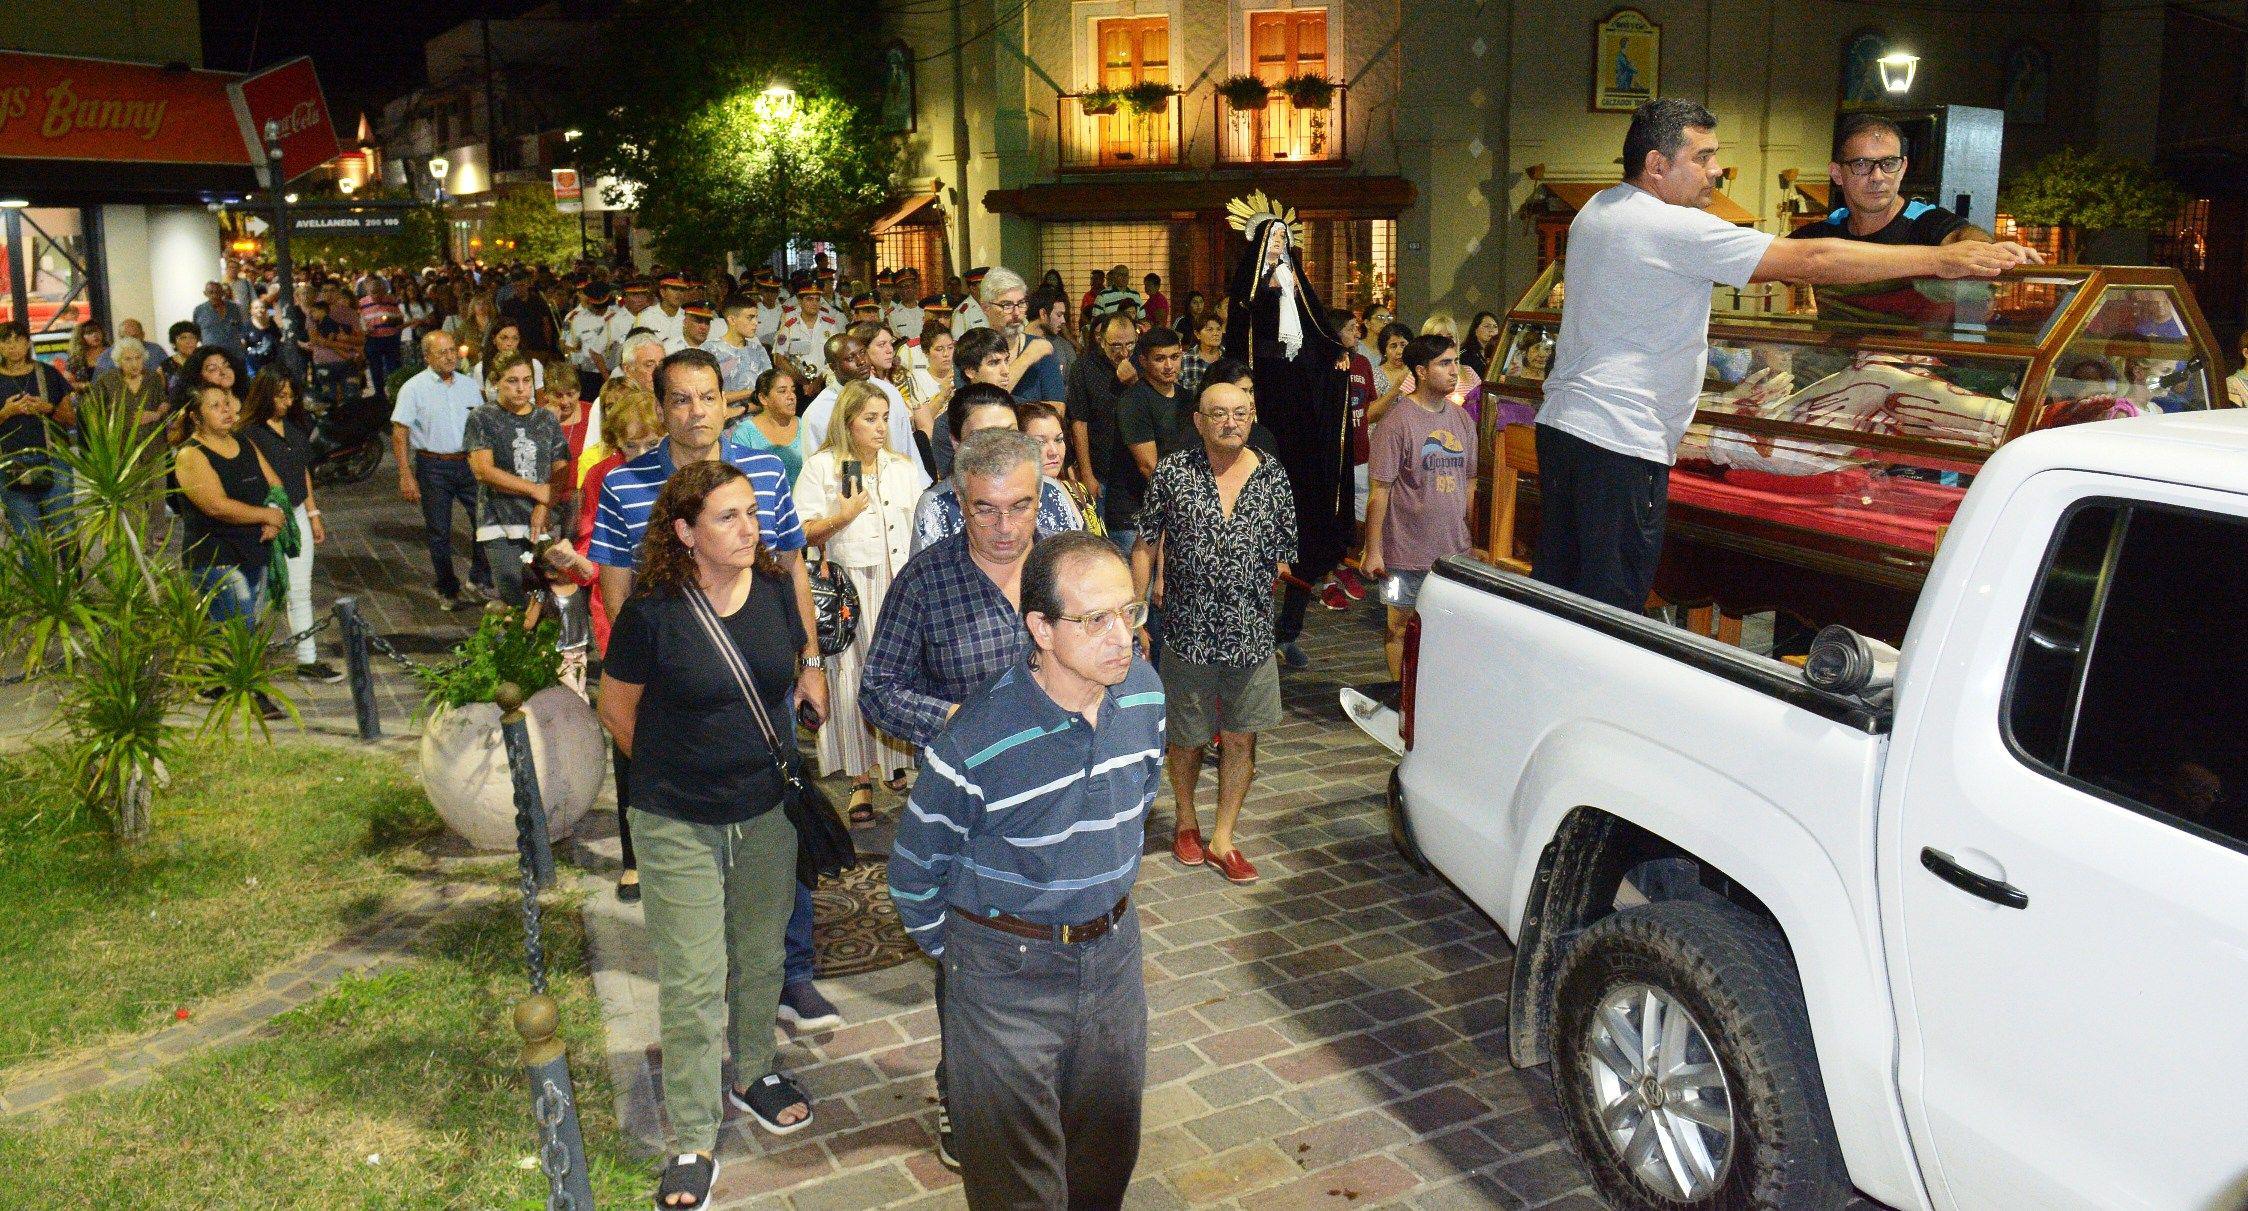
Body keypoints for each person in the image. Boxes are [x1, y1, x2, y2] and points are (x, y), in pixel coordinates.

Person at [1534, 98, 2036, 612]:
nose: (1716, 172)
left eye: (1888, 165)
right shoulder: (1670, 226)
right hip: (1622, 439)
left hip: (1569, 430)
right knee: (1606, 607)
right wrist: (1944, 260)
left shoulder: (1598, 209)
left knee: (1560, 595)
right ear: (1658, 165)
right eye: (1703, 158)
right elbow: (1812, 257)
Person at [889, 530, 1164, 1208]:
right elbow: (915, 869)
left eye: (1128, 611)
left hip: (1114, 958)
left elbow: (1138, 800)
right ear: (1040, 626)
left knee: (1104, 1164)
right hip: (1004, 971)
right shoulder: (976, 738)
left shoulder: (1145, 695)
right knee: (1019, 1187)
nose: (1120, 635)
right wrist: (972, 961)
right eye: (1094, 618)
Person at [589, 349, 843, 1036]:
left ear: (725, 402)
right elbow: (618, 593)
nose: (696, 412)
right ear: (660, 402)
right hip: (680, 690)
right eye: (681, 399)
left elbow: (791, 567)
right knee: (698, 839)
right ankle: (720, 973)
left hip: (760, 680)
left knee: (779, 820)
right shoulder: (623, 485)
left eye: (709, 398)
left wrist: (811, 658)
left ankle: (791, 974)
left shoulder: (762, 469)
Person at [596, 460, 822, 1210]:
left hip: (765, 812)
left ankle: (753, 1069)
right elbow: (616, 709)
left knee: (759, 955)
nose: (749, 527)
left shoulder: (771, 594)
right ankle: (692, 1132)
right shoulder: (653, 611)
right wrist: (676, 778)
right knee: (694, 980)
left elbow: (781, 682)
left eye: (751, 512)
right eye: (728, 516)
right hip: (677, 821)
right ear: (686, 531)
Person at [861, 427, 1058, 1172]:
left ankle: (1041, 1090)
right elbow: (879, 689)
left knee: (1056, 954)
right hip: (969, 815)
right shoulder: (926, 580)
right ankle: (964, 1096)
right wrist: (953, 720)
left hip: (1057, 805)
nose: (1005, 528)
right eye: (985, 510)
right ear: (957, 501)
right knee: (972, 962)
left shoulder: (1061, 571)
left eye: (1020, 507)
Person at [1134, 380, 1294, 884]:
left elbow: (1284, 555)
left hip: (1251, 635)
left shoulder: (1273, 476)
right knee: (1186, 735)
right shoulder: (1174, 472)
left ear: (1252, 416)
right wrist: (1135, 613)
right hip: (1187, 630)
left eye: (1241, 413)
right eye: (1219, 414)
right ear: (1199, 421)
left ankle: (1224, 837)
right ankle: (1186, 820)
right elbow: (1145, 542)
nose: (1231, 422)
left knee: (1242, 736)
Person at [793, 380, 927, 824]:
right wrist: (843, 516)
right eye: (870, 418)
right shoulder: (823, 467)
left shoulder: (903, 467)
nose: (880, 427)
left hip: (898, 583)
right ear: (846, 422)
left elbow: (925, 522)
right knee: (851, 676)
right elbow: (801, 532)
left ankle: (894, 764)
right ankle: (858, 778)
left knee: (899, 675)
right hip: (850, 587)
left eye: (885, 418)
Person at [1365, 335, 1478, 682]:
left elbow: (1470, 482)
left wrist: (1469, 536)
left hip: (1452, 552)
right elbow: (1379, 491)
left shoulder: (1462, 421)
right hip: (1403, 553)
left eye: (1455, 362)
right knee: (1399, 625)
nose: (1453, 371)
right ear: (1421, 371)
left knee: (1448, 627)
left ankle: (1434, 692)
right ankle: (1403, 696)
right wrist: (1373, 550)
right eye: (1444, 363)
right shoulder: (1398, 422)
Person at [239, 369, 339, 682]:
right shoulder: (250, 433)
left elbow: (302, 472)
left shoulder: (294, 427)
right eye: (280, 395)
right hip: (266, 517)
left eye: (290, 395)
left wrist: (313, 513)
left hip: (295, 513)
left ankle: (307, 659)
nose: (287, 401)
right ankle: (246, 659)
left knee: (300, 588)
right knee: (260, 591)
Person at [911, 383, 1080, 556]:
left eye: (1010, 432)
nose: (1001, 444)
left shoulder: (1051, 492)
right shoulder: (937, 505)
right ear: (957, 443)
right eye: (985, 435)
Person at [392, 331, 496, 609]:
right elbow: (400, 432)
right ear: (427, 357)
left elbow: (481, 424)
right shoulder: (412, 389)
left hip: (468, 464)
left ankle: (480, 578)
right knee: (439, 530)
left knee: (484, 522)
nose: (450, 357)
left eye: (452, 350)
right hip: (433, 466)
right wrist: (405, 473)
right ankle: (447, 587)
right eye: (442, 352)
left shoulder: (469, 385)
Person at [169, 383, 285, 627]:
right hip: (217, 558)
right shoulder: (190, 454)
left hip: (254, 550)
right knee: (238, 637)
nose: (226, 410)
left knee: (249, 631)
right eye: (214, 406)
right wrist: (266, 515)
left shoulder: (243, 441)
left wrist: (275, 516)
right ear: (196, 417)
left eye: (226, 403)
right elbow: (216, 506)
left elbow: (274, 483)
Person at [466, 353, 570, 608]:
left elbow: (561, 469)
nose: (521, 388)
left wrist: (543, 505)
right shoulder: (482, 418)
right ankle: (519, 642)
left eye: (527, 380)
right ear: (496, 382)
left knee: (551, 590)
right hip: (497, 518)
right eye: (512, 381)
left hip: (544, 520)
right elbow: (483, 470)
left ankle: (550, 644)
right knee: (511, 586)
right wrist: (535, 491)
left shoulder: (546, 419)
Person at [1108, 326, 1189, 553]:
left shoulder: (1186, 398)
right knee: (1137, 589)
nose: (1169, 366)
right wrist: (1187, 500)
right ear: (1142, 361)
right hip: (1133, 515)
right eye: (1160, 359)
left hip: (1172, 510)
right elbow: (1148, 466)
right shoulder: (1133, 400)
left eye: (1174, 357)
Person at [0, 321, 76, 536]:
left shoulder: (49, 374)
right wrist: (6, 413)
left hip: (54, 460)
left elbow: (70, 420)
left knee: (65, 530)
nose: (13, 347)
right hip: (10, 465)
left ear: (28, 344)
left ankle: (72, 571)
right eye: (7, 342)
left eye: (19, 341)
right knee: (29, 538)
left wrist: (47, 408)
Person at [1068, 311, 1140, 526]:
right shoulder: (1084, 367)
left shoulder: (1142, 362)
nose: (1124, 352)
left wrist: (1134, 380)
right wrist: (1087, 474)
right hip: (1100, 467)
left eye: (1130, 344)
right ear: (1101, 341)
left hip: (1133, 470)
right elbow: (1079, 422)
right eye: (1116, 346)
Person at [803, 326, 914, 456]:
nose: (861, 361)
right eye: (850, 358)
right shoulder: (818, 412)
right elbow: (814, 467)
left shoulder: (890, 392)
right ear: (833, 367)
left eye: (862, 352)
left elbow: (909, 449)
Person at [1018, 400, 1099, 536]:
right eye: (1040, 442)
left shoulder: (1078, 490)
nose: (1054, 452)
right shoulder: (1013, 502)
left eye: (1058, 440)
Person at [730, 366, 811, 484]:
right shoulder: (745, 433)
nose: (791, 396)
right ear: (763, 398)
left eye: (793, 390)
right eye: (782, 391)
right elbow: (739, 479)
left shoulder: (806, 426)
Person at [711, 295, 776, 413]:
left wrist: (743, 408)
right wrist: (750, 393)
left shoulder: (759, 350)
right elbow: (707, 396)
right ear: (732, 320)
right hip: (723, 425)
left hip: (758, 423)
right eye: (750, 318)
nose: (755, 323)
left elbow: (770, 394)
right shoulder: (710, 350)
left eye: (756, 317)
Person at [777, 282, 840, 376]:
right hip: (798, 381)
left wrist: (819, 381)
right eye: (809, 299)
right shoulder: (789, 326)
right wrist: (800, 380)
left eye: (817, 300)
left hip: (824, 380)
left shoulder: (830, 326)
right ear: (800, 301)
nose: (814, 303)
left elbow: (837, 356)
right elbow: (779, 358)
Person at [564, 281, 617, 394]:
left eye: (602, 306)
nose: (599, 309)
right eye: (596, 306)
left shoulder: (618, 315)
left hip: (614, 373)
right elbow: (570, 347)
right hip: (588, 376)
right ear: (589, 300)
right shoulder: (578, 319)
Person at [360, 279, 408, 398]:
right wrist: (365, 329)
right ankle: (379, 394)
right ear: (368, 292)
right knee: (375, 368)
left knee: (393, 367)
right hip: (372, 339)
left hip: (390, 338)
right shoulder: (362, 303)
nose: (377, 295)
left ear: (384, 291)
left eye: (380, 292)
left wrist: (391, 321)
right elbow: (359, 321)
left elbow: (400, 319)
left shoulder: (392, 301)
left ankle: (395, 393)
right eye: (374, 292)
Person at [193, 280, 251, 354]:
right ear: (205, 293)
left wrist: (243, 340)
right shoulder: (199, 310)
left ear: (222, 292)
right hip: (212, 355)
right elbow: (195, 333)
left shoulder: (233, 307)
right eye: (211, 292)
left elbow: (241, 326)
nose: (215, 295)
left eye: (218, 292)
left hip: (235, 354)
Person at [1179, 310, 1225, 401]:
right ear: (1197, 334)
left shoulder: (1228, 358)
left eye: (1218, 329)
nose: (1216, 333)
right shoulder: (1185, 359)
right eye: (1210, 329)